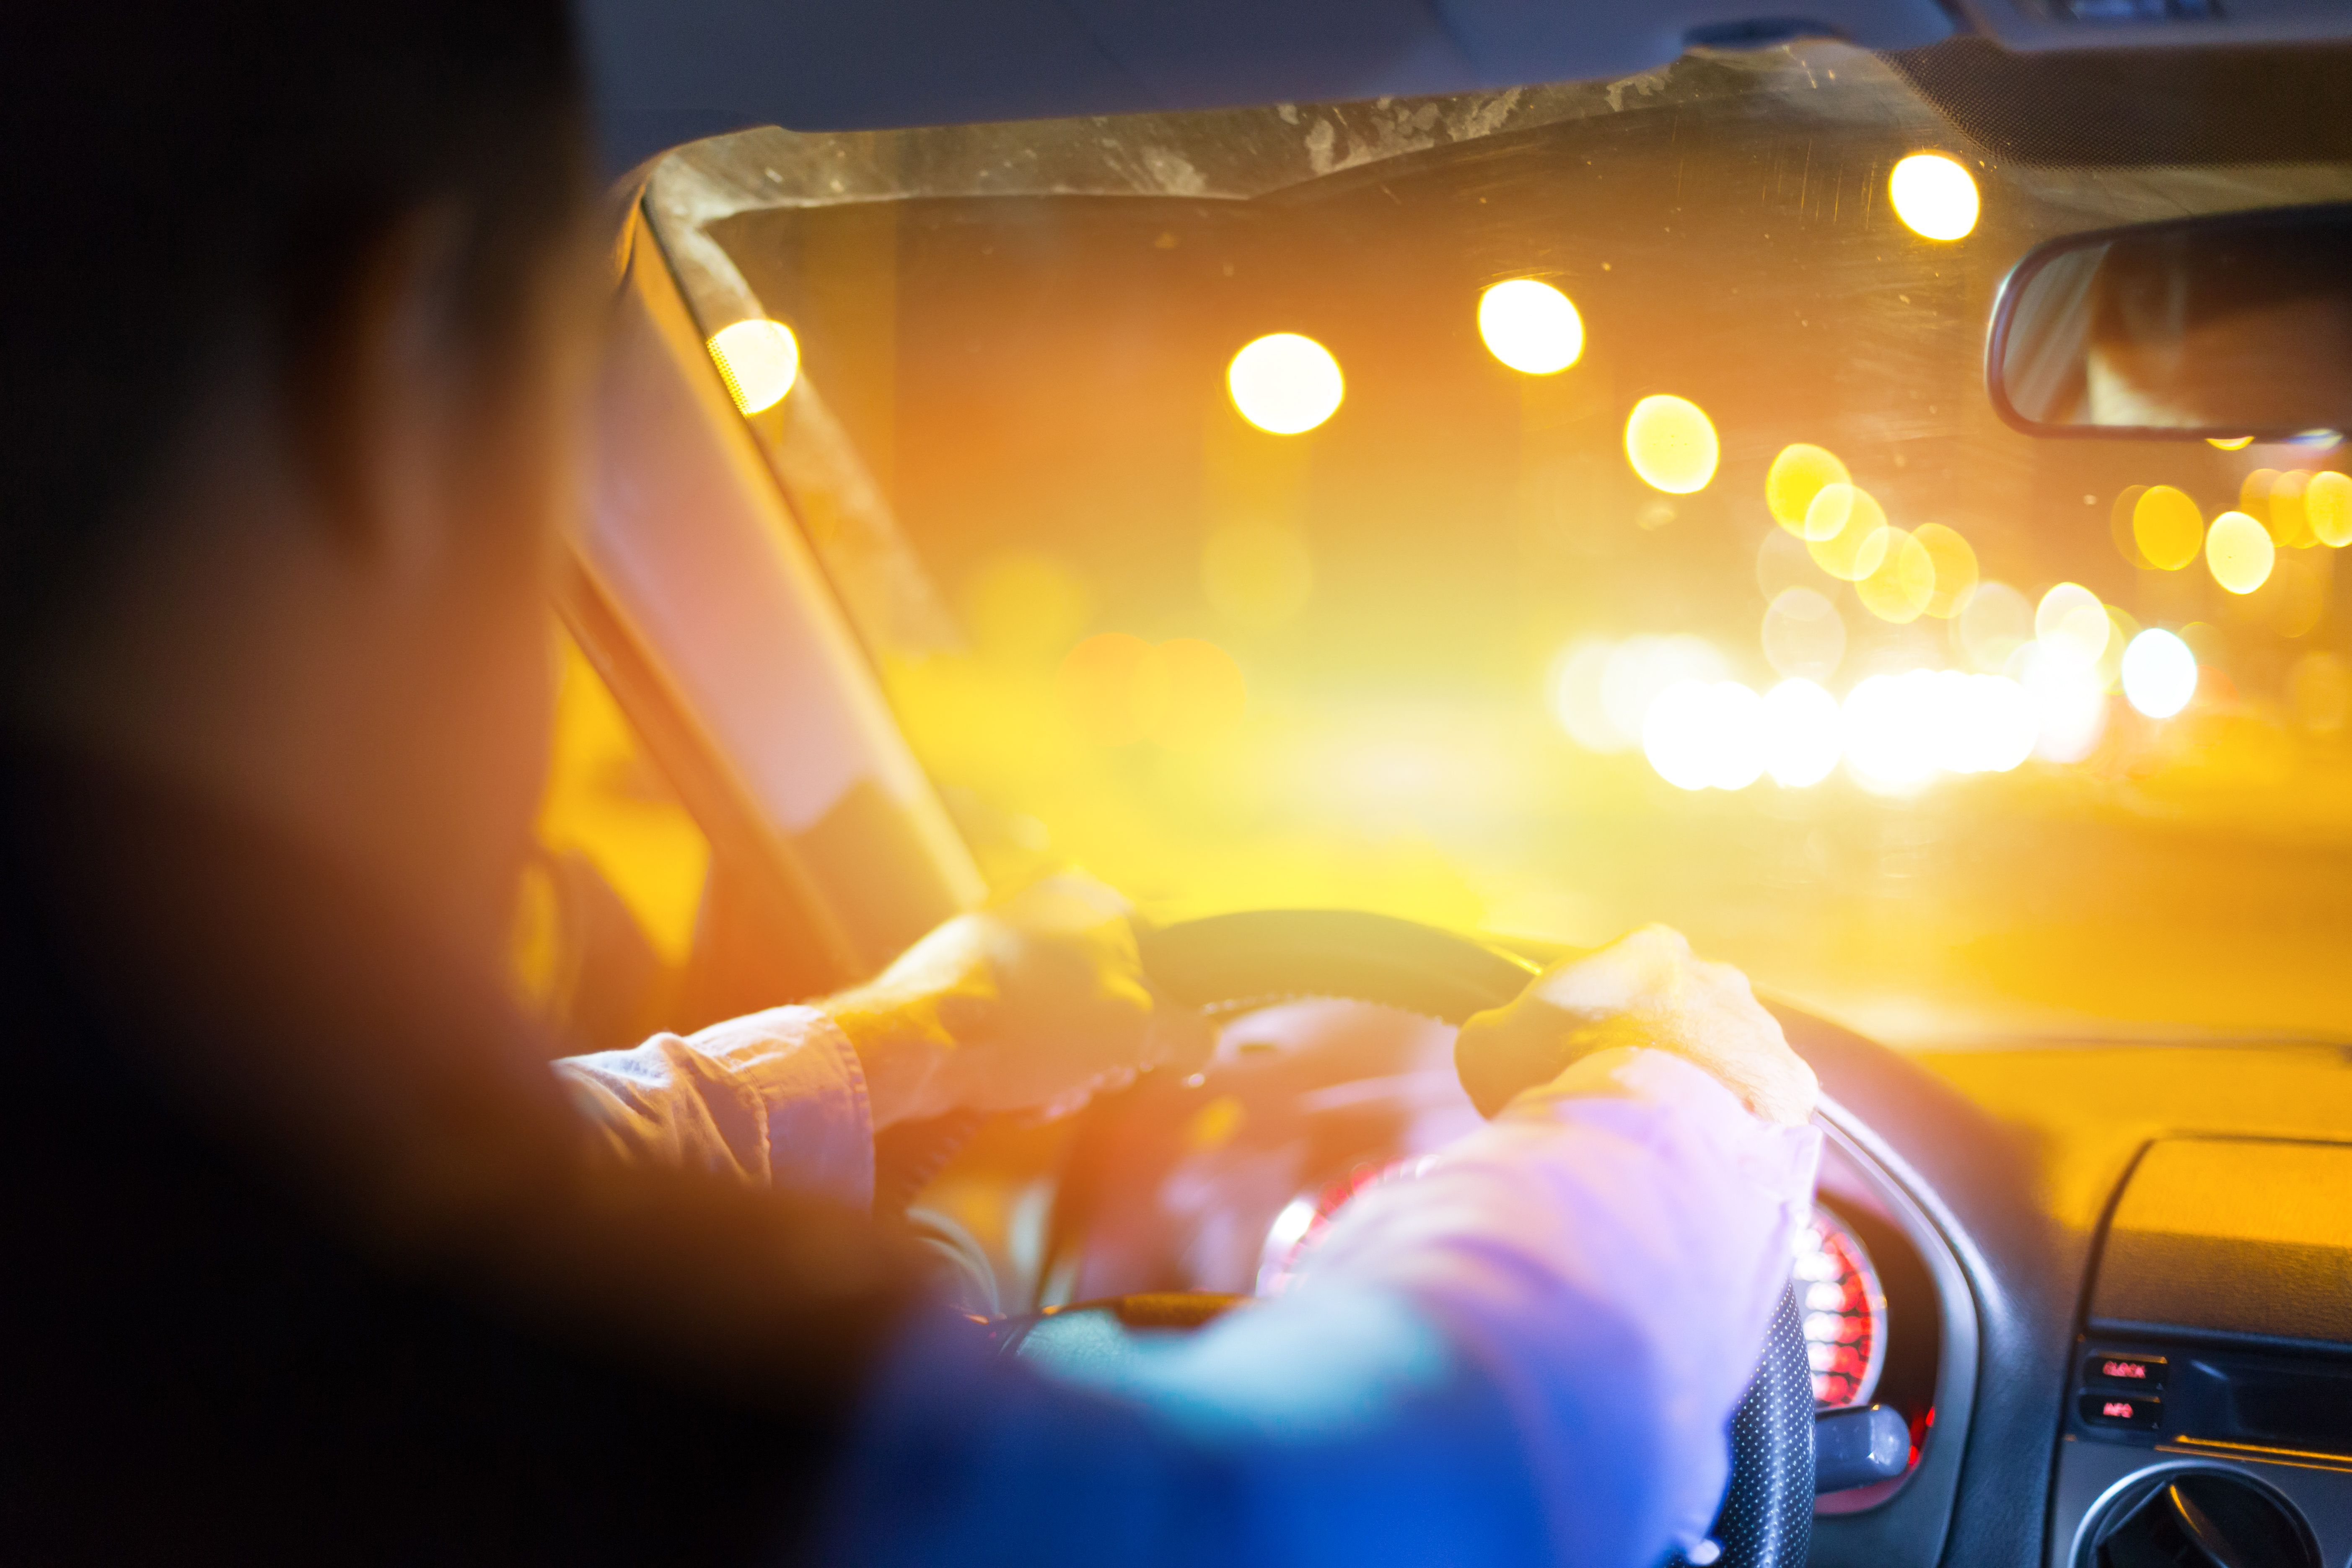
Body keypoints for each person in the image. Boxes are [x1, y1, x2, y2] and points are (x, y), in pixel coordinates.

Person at [0, 7, 1819, 1565]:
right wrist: (1678, 1118)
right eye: (555, 436)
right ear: (386, 371)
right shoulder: (293, 1312)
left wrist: (898, 1050)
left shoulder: (136, 1182)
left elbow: (525, 1157)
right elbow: (1318, 1513)